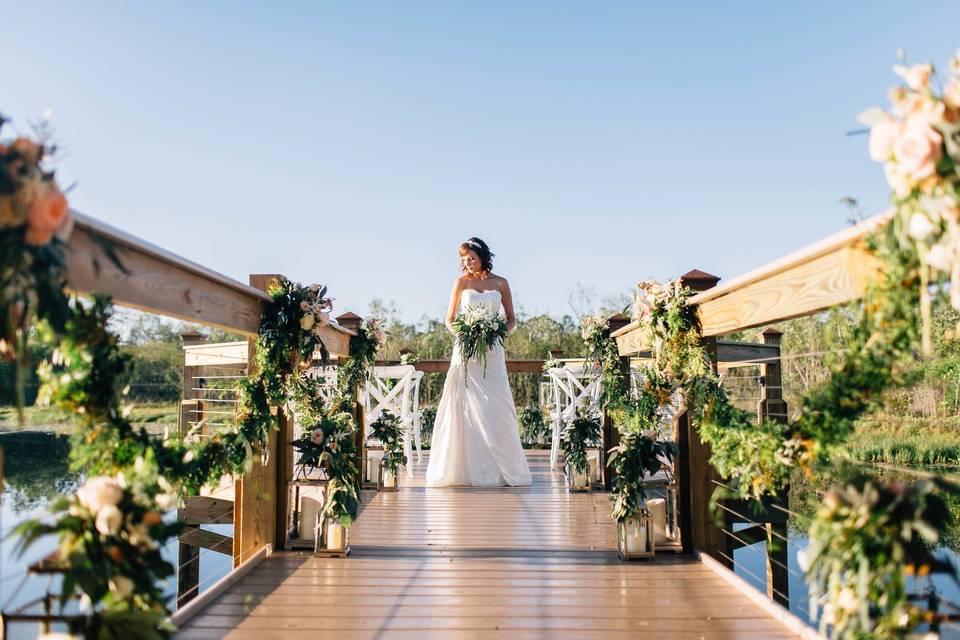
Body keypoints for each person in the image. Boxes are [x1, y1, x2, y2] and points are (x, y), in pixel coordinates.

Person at [425, 237, 533, 487]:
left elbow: (511, 319)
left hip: (493, 352)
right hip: (466, 352)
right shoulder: (461, 283)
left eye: (471, 258)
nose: (467, 263)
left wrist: (496, 334)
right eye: (464, 259)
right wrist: (465, 335)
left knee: (497, 406)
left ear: (483, 257)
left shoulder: (501, 283)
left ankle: (503, 470)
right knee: (463, 405)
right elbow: (449, 319)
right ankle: (462, 471)